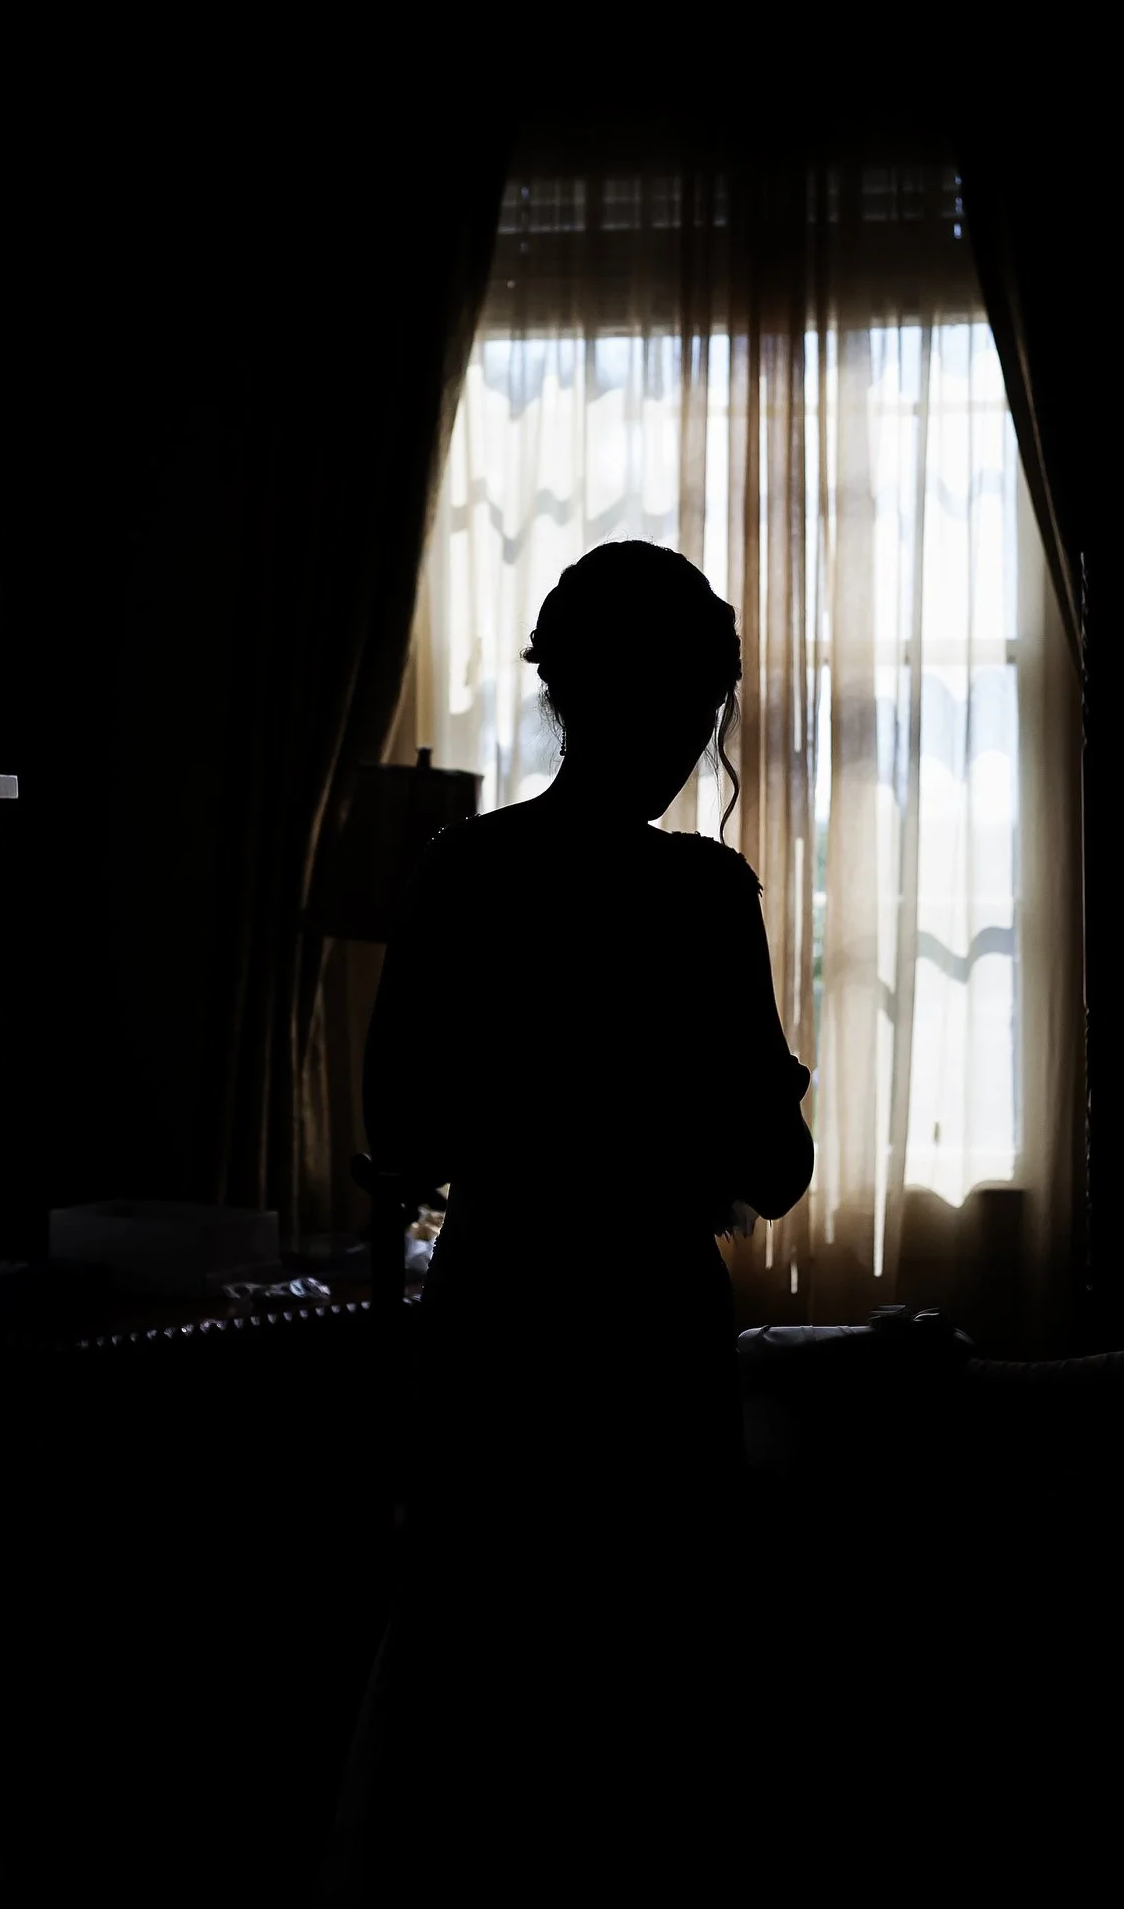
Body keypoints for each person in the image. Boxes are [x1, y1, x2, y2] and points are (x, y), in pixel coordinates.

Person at [319, 541, 814, 1902]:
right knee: (640, 1726)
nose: (699, 734)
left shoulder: (461, 873)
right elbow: (774, 1168)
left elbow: (404, 1135)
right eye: (700, 704)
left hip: (503, 1317)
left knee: (480, 1710)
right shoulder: (704, 900)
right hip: (646, 1340)